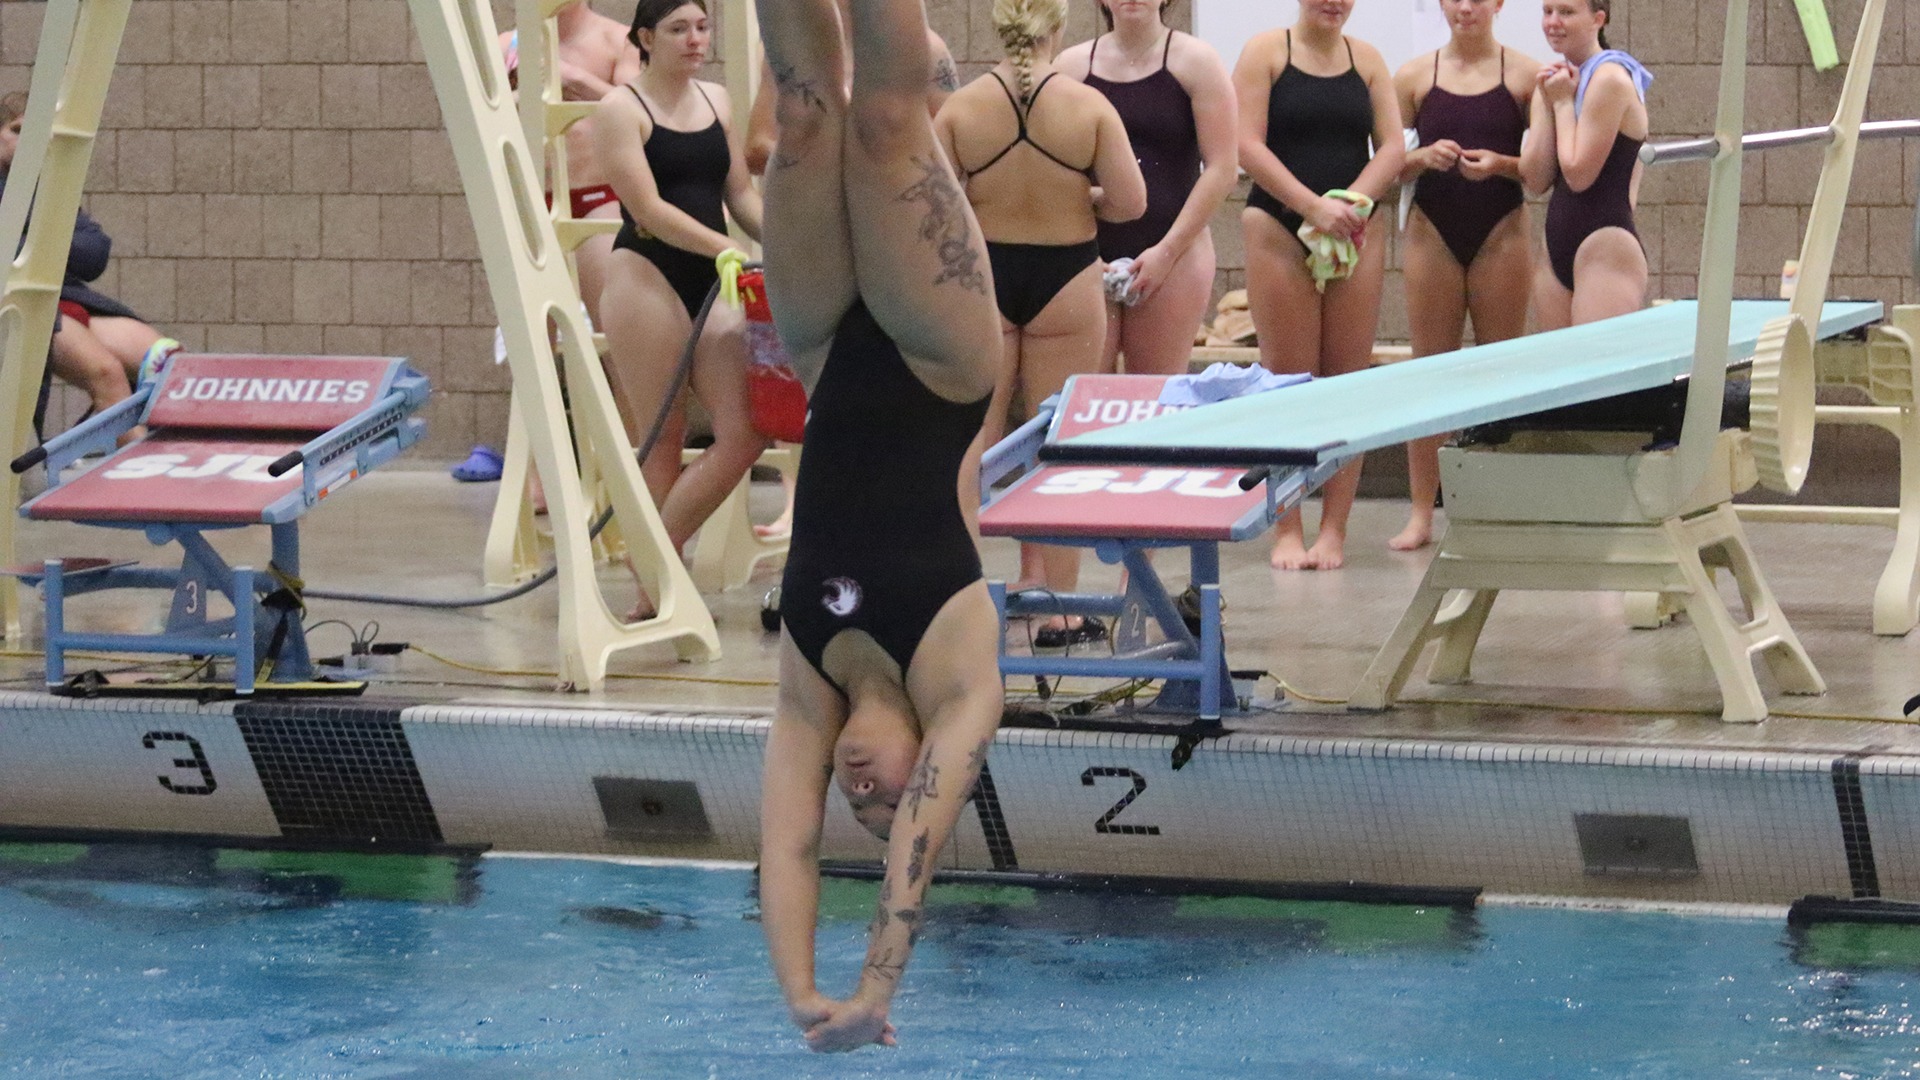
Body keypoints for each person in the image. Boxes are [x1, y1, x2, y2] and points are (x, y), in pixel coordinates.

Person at [755, 0, 1005, 1052]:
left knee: (805, 120)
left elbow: (787, 851)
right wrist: (875, 988)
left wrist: (806, 997)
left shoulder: (810, 685)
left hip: (826, 356)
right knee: (885, 123)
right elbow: (918, 851)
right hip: (939, 360)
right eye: (884, 804)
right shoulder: (958, 676)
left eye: (849, 805)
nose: (865, 797)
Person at [935, 0, 1144, 648]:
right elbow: (1131, 201)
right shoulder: (1088, 108)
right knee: (1060, 445)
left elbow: (935, 210)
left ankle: (959, 601)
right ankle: (1061, 612)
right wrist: (1082, 195)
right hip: (1067, 280)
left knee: (971, 445)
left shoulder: (962, 110)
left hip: (983, 281)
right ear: (1060, 27)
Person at [594, 0, 767, 616]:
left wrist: (788, 244)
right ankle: (656, 591)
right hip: (646, 273)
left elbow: (740, 194)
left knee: (745, 431)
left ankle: (658, 555)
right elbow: (648, 210)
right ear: (645, 37)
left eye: (701, 27)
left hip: (713, 274)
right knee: (661, 440)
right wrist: (727, 246)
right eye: (678, 29)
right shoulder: (620, 110)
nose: (695, 40)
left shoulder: (718, 101)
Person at [1234, 1, 1403, 570]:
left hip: (1354, 226)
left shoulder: (1369, 60)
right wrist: (1311, 206)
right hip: (1281, 225)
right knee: (1288, 381)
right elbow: (1246, 145)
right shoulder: (1265, 53)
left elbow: (1394, 148)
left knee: (1346, 383)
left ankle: (1334, 529)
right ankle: (1287, 529)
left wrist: (1349, 205)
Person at [1390, 0, 1540, 551]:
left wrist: (1502, 165)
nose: (1466, 7)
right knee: (1429, 375)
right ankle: (1421, 512)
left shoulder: (1525, 77)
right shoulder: (1412, 78)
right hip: (1432, 231)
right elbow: (1384, 166)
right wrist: (1423, 156)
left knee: (1500, 373)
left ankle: (1500, 507)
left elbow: (1548, 170)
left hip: (1502, 229)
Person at [1058, 0, 1237, 376]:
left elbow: (1222, 168)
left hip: (1175, 250)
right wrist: (1080, 253)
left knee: (1155, 399)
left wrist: (1168, 252)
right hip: (1090, 254)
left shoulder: (1196, 62)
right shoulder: (1071, 68)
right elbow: (1051, 174)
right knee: (1086, 398)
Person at [0, 92, 168, 423]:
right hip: (22, 306)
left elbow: (94, 252)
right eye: (19, 130)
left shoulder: (48, 188)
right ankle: (134, 469)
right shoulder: (38, 192)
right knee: (107, 374)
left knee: (168, 361)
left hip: (61, 299)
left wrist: (36, 237)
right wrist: (47, 235)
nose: (32, 141)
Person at [499, 0, 642, 323]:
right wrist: (522, 96)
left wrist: (574, 78)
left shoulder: (618, 41)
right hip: (531, 201)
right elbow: (480, 120)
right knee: (532, 339)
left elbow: (641, 114)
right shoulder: (508, 45)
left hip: (597, 196)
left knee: (613, 330)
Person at [1521, 0, 1650, 330]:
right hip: (1557, 246)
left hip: (1606, 247)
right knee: (1559, 375)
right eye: (1547, 11)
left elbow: (1579, 174)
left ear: (1598, 19)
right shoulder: (1555, 81)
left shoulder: (1611, 80)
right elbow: (1534, 179)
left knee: (1602, 377)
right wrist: (1545, 103)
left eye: (1566, 12)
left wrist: (1563, 103)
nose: (1553, 22)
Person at [742, 2, 959, 177]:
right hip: (817, 206)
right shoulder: (795, 54)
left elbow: (955, 152)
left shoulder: (928, 51)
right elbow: (755, 150)